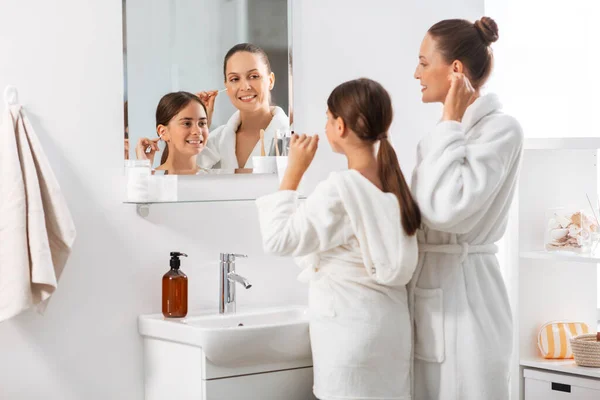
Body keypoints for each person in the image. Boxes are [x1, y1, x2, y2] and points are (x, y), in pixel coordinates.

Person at [256, 78, 421, 400]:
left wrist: (294, 172)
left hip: (350, 335)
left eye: (328, 118)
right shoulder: (393, 185)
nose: (326, 126)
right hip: (390, 330)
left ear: (341, 125)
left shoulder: (341, 190)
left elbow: (278, 240)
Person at [410, 16, 524, 400]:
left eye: (424, 62)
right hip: (432, 294)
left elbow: (447, 211)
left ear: (455, 70)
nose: (416, 73)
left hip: (471, 298)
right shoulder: (440, 135)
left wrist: (451, 121)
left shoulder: (501, 130)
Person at [197, 43, 289, 170]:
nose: (245, 86)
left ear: (271, 81)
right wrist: (200, 123)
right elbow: (178, 176)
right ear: (227, 86)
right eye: (235, 79)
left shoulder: (292, 135)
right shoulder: (217, 139)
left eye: (254, 76)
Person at [135, 91, 209, 175]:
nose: (198, 131)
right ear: (163, 132)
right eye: (187, 124)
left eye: (202, 123)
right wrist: (143, 167)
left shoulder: (217, 179)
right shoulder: (150, 176)